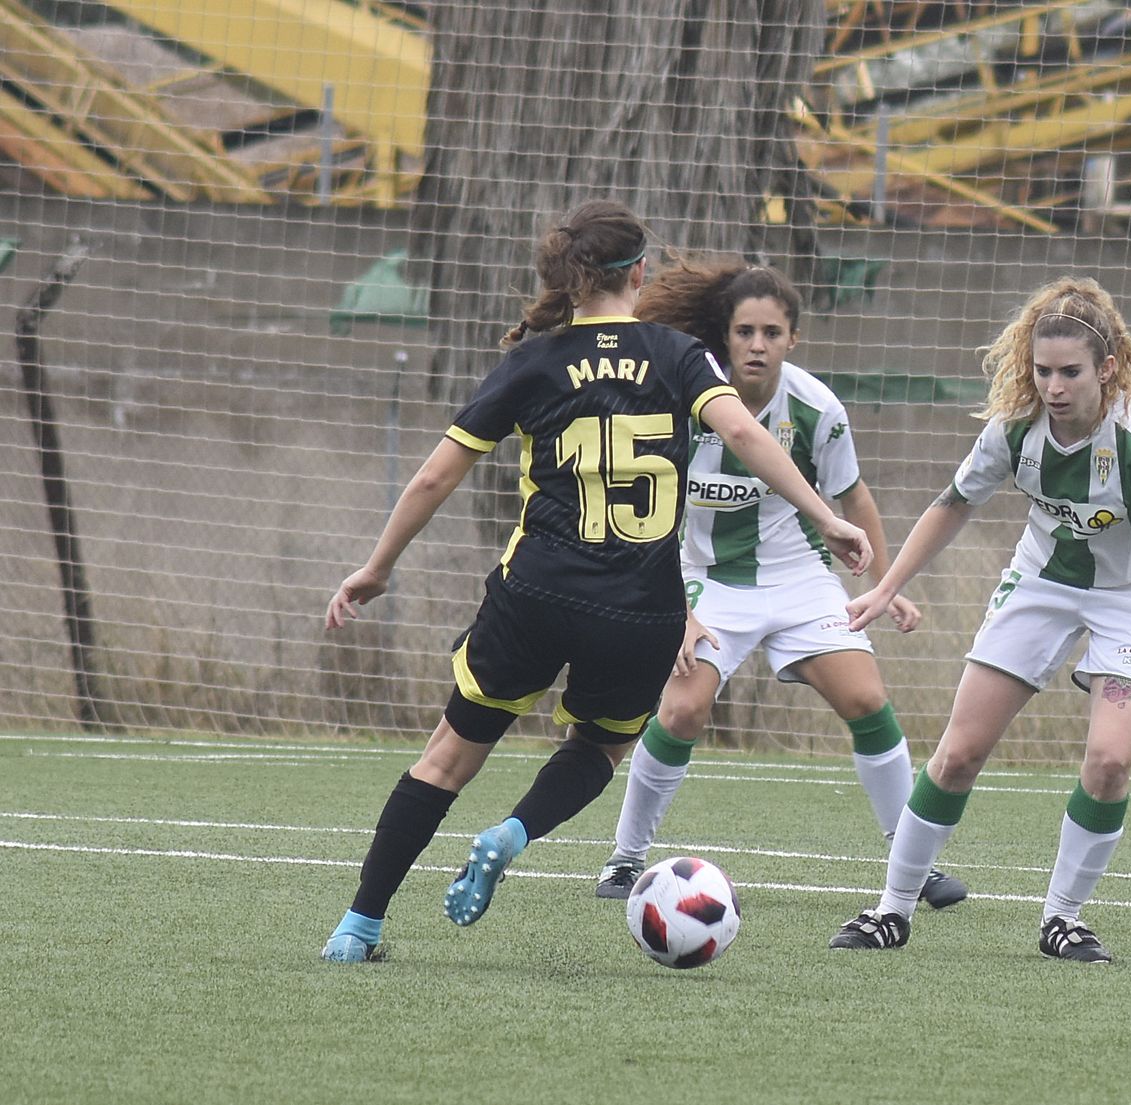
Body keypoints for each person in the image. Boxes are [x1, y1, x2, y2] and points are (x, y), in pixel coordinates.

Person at [318, 200, 872, 963]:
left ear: (567, 278)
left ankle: (360, 926)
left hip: (535, 592)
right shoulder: (678, 355)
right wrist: (827, 517)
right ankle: (512, 831)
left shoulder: (532, 361)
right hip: (640, 608)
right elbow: (743, 431)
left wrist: (377, 567)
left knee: (446, 756)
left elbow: (433, 478)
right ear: (639, 275)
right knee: (600, 750)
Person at [827, 274, 1131, 962]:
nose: (1054, 386)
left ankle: (1062, 920)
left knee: (1108, 761)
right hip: (1043, 581)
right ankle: (891, 909)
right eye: (1043, 370)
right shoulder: (1015, 430)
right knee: (957, 752)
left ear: (1107, 368)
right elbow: (951, 505)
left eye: (1070, 371)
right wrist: (885, 585)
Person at [589, 258, 967, 910]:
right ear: (724, 337)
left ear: (793, 338)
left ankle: (914, 859)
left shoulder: (818, 409)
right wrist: (672, 608)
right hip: (702, 581)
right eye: (744, 331)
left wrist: (883, 583)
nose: (757, 344)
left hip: (800, 580)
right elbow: (646, 516)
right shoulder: (681, 400)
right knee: (681, 709)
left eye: (771, 331)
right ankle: (625, 859)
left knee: (868, 700)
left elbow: (854, 499)